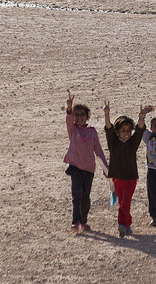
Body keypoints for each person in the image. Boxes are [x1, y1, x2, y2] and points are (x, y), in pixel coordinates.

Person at [63, 90, 108, 235]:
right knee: (77, 194)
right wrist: (69, 107)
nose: (79, 117)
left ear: (87, 116)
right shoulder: (73, 130)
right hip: (75, 166)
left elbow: (99, 151)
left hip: (89, 168)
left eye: (82, 115)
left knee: (86, 195)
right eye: (77, 115)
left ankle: (83, 220)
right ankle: (75, 221)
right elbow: (68, 119)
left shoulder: (92, 132)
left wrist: (106, 168)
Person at [102, 103, 147, 237]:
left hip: (131, 178)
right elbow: (109, 129)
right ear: (118, 132)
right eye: (123, 130)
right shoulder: (113, 143)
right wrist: (106, 114)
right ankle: (127, 223)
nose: (126, 132)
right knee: (122, 202)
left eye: (128, 130)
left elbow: (140, 130)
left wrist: (141, 117)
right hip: (117, 178)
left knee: (125, 203)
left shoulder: (133, 144)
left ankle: (121, 224)